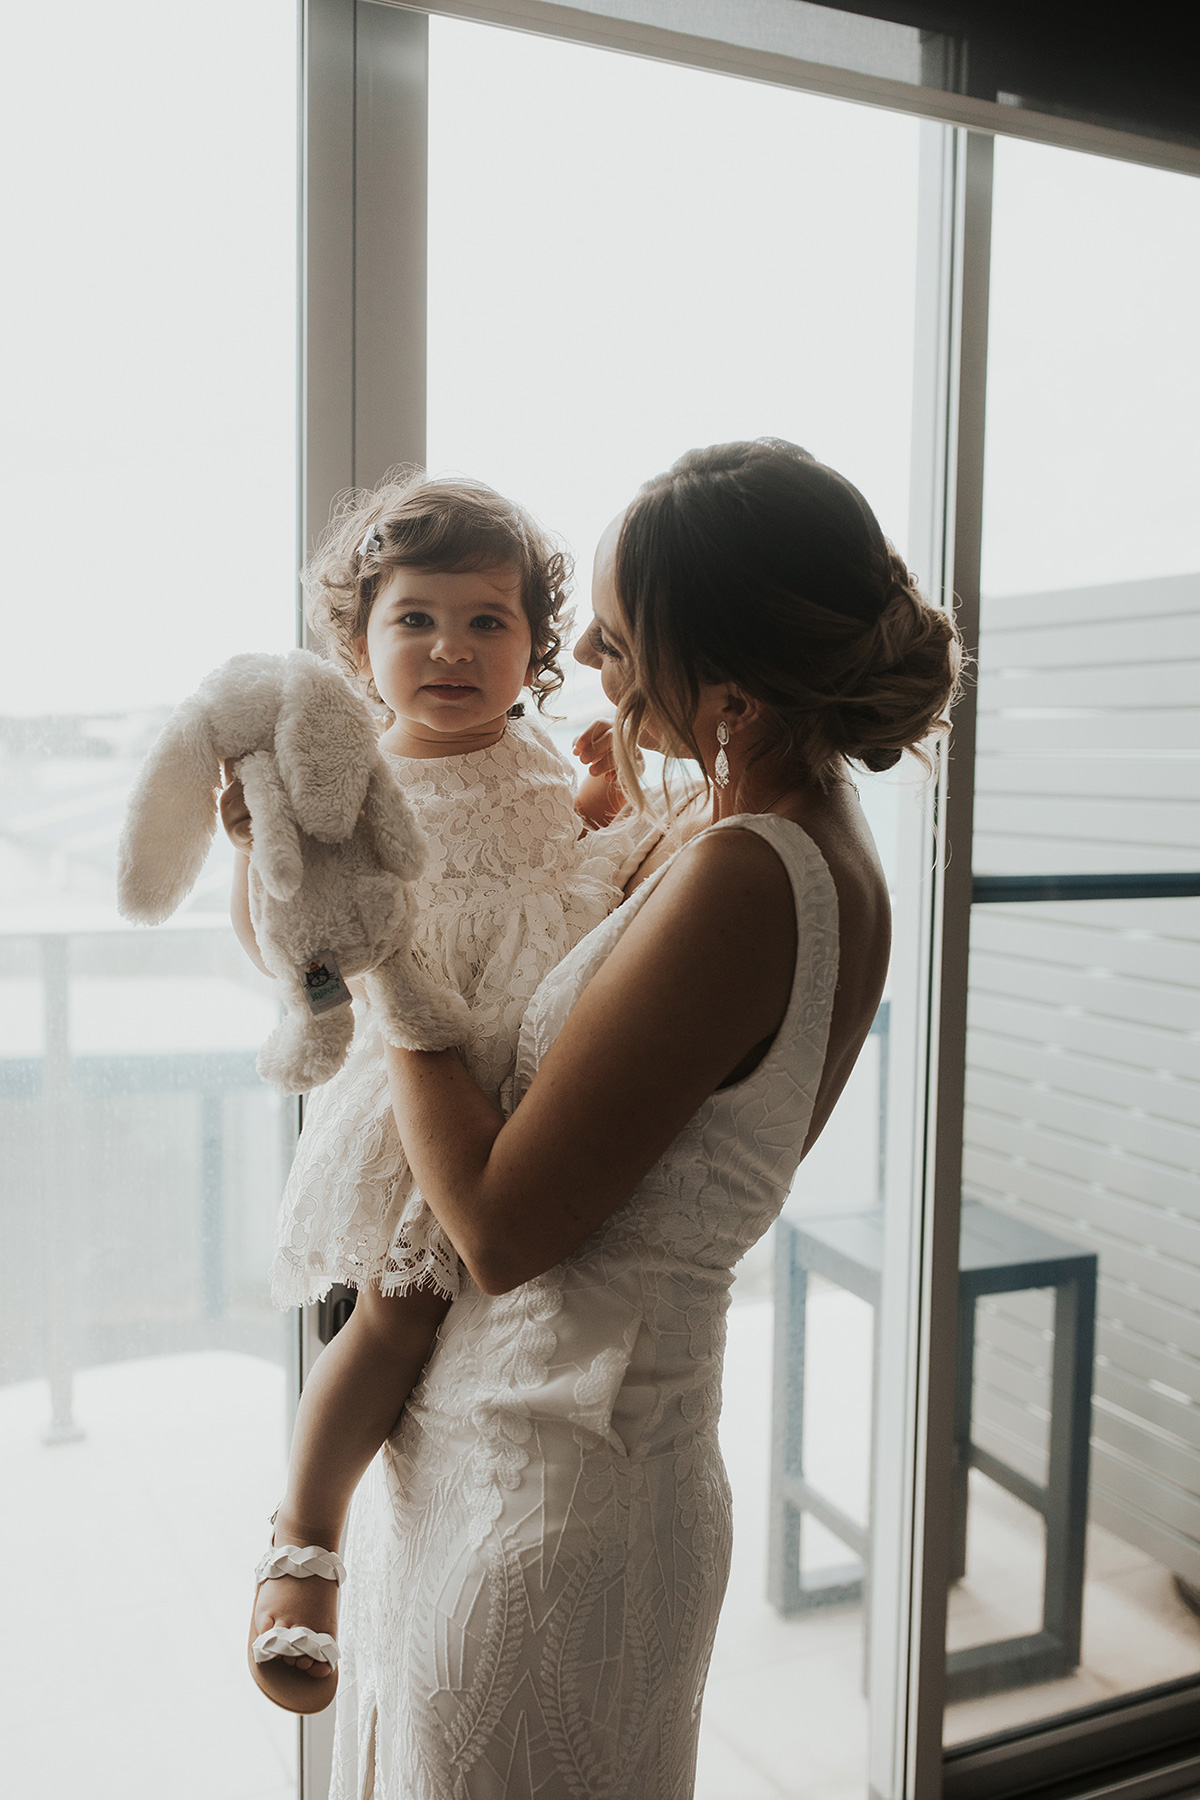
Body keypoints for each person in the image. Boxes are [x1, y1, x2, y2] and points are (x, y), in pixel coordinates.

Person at [327, 438, 962, 1797]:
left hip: (551, 1489)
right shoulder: (793, 847)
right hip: (581, 1455)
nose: (597, 675)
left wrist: (384, 958)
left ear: (723, 671)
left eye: (618, 648)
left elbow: (497, 1229)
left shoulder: (745, 879)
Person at [222, 472, 644, 1712]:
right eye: (416, 620)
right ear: (359, 644)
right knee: (394, 1319)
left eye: (487, 621)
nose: (451, 649)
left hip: (532, 1082)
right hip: (421, 1098)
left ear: (534, 651)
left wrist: (601, 808)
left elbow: (559, 879)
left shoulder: (532, 761)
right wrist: (257, 856)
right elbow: (293, 942)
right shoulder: (352, 785)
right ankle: (303, 1542)